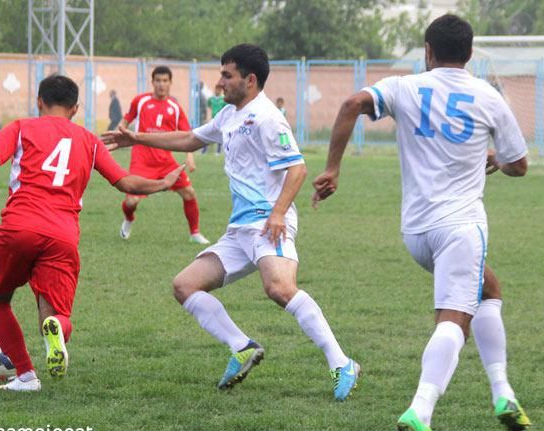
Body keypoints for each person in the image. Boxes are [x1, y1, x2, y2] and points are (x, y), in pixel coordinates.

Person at [312, 14, 531, 431]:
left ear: (427, 51)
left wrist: (333, 167)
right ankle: (420, 409)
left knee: (489, 287)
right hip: (461, 227)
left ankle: (503, 392)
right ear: (470, 55)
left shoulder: (403, 87)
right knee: (455, 319)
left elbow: (352, 103)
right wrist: (495, 159)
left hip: (416, 230)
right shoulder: (488, 96)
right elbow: (520, 165)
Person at [103, 44, 360, 401]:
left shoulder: (266, 117)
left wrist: (279, 212)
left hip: (269, 223)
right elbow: (191, 138)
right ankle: (241, 346)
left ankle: (341, 361)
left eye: (227, 75)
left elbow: (297, 169)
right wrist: (136, 137)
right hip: (240, 229)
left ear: (250, 80)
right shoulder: (229, 115)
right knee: (185, 286)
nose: (219, 82)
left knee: (280, 288)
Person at [0, 75, 184, 392]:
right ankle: (57, 328)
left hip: (20, 225)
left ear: (39, 102)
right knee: (54, 314)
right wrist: (163, 184)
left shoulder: (21, 127)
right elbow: (126, 184)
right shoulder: (89, 140)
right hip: (63, 235)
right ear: (75, 108)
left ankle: (26, 376)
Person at [118, 65, 209, 244]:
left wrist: (189, 156)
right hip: (141, 160)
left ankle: (195, 233)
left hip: (166, 161)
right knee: (131, 201)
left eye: (165, 81)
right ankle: (129, 219)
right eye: (158, 81)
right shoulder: (141, 101)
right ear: (152, 82)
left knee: (189, 193)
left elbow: (187, 134)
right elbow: (126, 119)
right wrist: (119, 131)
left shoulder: (174, 107)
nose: (161, 84)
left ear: (170, 83)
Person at [202, 85, 226, 154]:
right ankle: (204, 151)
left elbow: (225, 108)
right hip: (213, 119)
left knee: (220, 135)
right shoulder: (211, 99)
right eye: (216, 89)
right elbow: (209, 105)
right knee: (207, 134)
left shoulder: (223, 99)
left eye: (219, 90)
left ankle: (218, 151)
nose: (217, 91)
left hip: (221, 121)